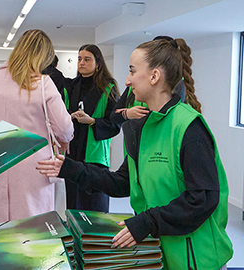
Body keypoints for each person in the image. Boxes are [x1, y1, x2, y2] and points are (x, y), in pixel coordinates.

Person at [37, 38, 233, 270]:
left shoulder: (189, 127)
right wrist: (71, 168)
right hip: (160, 254)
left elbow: (202, 199)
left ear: (154, 76)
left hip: (197, 259)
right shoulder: (145, 126)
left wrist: (147, 221)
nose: (128, 80)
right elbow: (124, 182)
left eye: (132, 71)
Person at [0, 29, 73, 226]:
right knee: (34, 233)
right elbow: (64, 128)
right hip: (32, 169)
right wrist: (63, 139)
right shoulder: (43, 83)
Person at [64, 44, 120, 212]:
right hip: (72, 154)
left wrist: (92, 121)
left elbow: (115, 124)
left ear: (98, 63)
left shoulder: (108, 88)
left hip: (95, 157)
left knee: (96, 207)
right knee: (73, 206)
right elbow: (61, 115)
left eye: (87, 59)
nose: (81, 63)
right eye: (79, 59)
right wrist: (70, 116)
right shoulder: (70, 87)